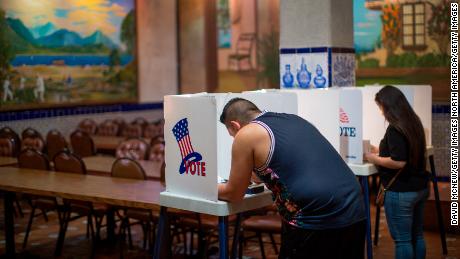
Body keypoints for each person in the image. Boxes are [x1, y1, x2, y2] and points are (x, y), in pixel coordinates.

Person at [218, 98, 366, 259]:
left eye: (232, 135)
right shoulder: (292, 119)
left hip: (315, 217)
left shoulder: (246, 134)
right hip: (354, 206)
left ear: (234, 125)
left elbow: (233, 194)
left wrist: (205, 186)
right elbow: (281, 167)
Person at [365, 85, 429, 259]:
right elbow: (403, 151)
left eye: (381, 107)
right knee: (417, 235)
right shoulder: (413, 121)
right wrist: (378, 149)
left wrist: (372, 158)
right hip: (420, 188)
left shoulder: (394, 128)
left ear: (389, 106)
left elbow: (399, 161)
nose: (380, 112)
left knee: (402, 240)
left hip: (401, 191)